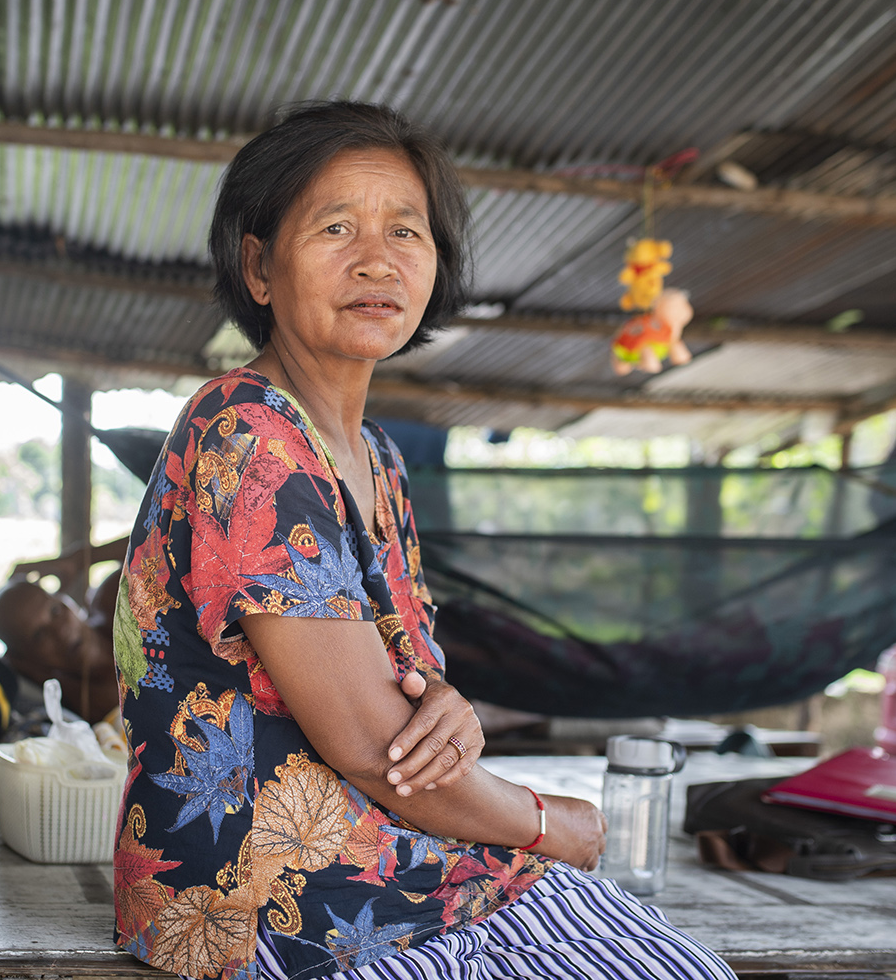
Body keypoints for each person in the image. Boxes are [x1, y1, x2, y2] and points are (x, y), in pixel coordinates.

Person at [112, 102, 736, 980]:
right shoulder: (249, 437)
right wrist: (550, 819)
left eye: (406, 230)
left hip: (398, 867)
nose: (377, 259)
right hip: (277, 912)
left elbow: (405, 690)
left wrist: (447, 703)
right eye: (335, 227)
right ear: (258, 266)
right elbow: (372, 745)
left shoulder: (379, 460)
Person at [0, 533, 129, 721]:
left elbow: (170, 535)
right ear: (27, 660)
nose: (60, 631)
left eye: (55, 610)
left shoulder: (116, 601)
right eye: (39, 635)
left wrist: (79, 558)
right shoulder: (74, 706)